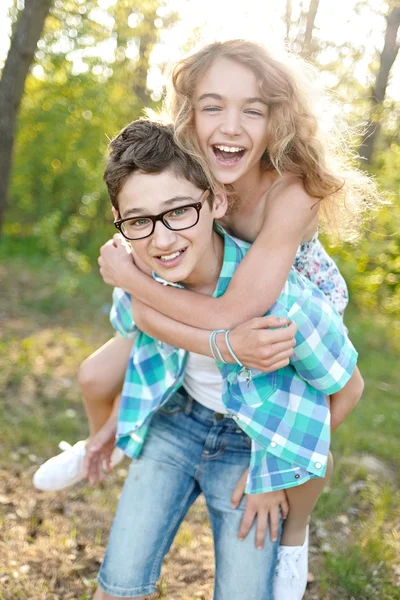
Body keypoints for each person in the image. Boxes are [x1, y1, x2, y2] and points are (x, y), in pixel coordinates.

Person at [85, 119, 363, 600]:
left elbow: (349, 388)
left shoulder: (281, 301)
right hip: (175, 425)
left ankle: (295, 534)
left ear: (216, 200)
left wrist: (275, 474)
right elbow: (142, 346)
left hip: (249, 450)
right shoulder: (141, 273)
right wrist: (115, 422)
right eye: (138, 221)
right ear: (121, 221)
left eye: (178, 212)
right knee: (117, 586)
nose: (162, 239)